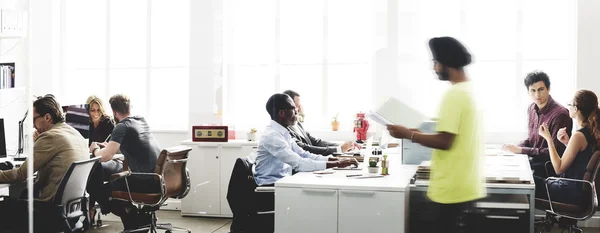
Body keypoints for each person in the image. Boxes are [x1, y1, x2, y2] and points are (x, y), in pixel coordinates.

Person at [386, 37, 485, 233]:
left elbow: (445, 141)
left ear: (445, 62)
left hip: (450, 189)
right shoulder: (470, 90)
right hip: (466, 185)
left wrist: (408, 134)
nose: (434, 68)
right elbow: (455, 136)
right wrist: (418, 134)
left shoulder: (454, 94)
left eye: (435, 62)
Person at [0, 94, 89, 231]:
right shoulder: (74, 133)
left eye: (34, 120)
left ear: (47, 117)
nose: (33, 126)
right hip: (71, 211)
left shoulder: (50, 136)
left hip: (48, 211)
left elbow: (20, 175)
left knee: (4, 206)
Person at [87, 94, 161, 230]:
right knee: (110, 182)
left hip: (143, 181)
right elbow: (134, 146)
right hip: (157, 179)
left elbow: (105, 157)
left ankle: (134, 220)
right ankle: (137, 220)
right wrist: (108, 147)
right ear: (129, 106)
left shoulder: (122, 126)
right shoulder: (140, 120)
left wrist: (95, 150)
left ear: (114, 112)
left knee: (95, 188)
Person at [253, 93, 358, 186]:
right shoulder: (272, 136)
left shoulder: (283, 132)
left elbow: (304, 155)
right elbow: (300, 163)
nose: (297, 111)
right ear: (282, 113)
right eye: (293, 108)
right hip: (271, 187)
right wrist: (338, 164)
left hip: (283, 182)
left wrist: (336, 160)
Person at [535, 89, 599, 205]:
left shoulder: (578, 136)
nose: (567, 107)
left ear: (576, 109)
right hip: (578, 191)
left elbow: (559, 168)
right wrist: (567, 143)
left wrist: (549, 139)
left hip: (569, 191)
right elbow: (583, 157)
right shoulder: (591, 132)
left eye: (569, 104)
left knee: (530, 183)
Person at [503, 71, 572, 177]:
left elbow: (555, 152)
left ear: (548, 89)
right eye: (533, 91)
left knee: (510, 177)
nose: (537, 95)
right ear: (528, 92)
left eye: (541, 89)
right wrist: (515, 147)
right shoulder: (531, 108)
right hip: (534, 162)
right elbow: (532, 140)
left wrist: (521, 150)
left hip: (547, 169)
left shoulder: (560, 114)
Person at [282, 90, 360, 156]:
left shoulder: (297, 124)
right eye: (297, 106)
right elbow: (305, 148)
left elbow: (315, 142)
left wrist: (344, 146)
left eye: (299, 106)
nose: (299, 109)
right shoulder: (285, 130)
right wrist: (339, 149)